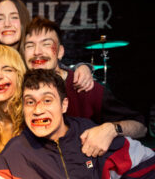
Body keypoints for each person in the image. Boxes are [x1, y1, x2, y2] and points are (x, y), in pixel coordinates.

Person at [0, 69, 155, 179]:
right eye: (30, 102)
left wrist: (111, 130)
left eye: (47, 100)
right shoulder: (15, 153)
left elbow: (148, 163)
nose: (38, 110)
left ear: (64, 105)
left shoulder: (91, 132)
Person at [22, 16, 147, 157]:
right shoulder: (19, 90)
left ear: (60, 52)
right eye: (30, 45)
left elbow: (140, 127)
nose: (37, 51)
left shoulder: (85, 87)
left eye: (46, 44)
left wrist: (111, 129)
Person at [0, 0, 94, 92]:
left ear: (24, 20)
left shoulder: (32, 58)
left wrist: (82, 68)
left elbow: (58, 69)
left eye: (14, 17)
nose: (7, 24)